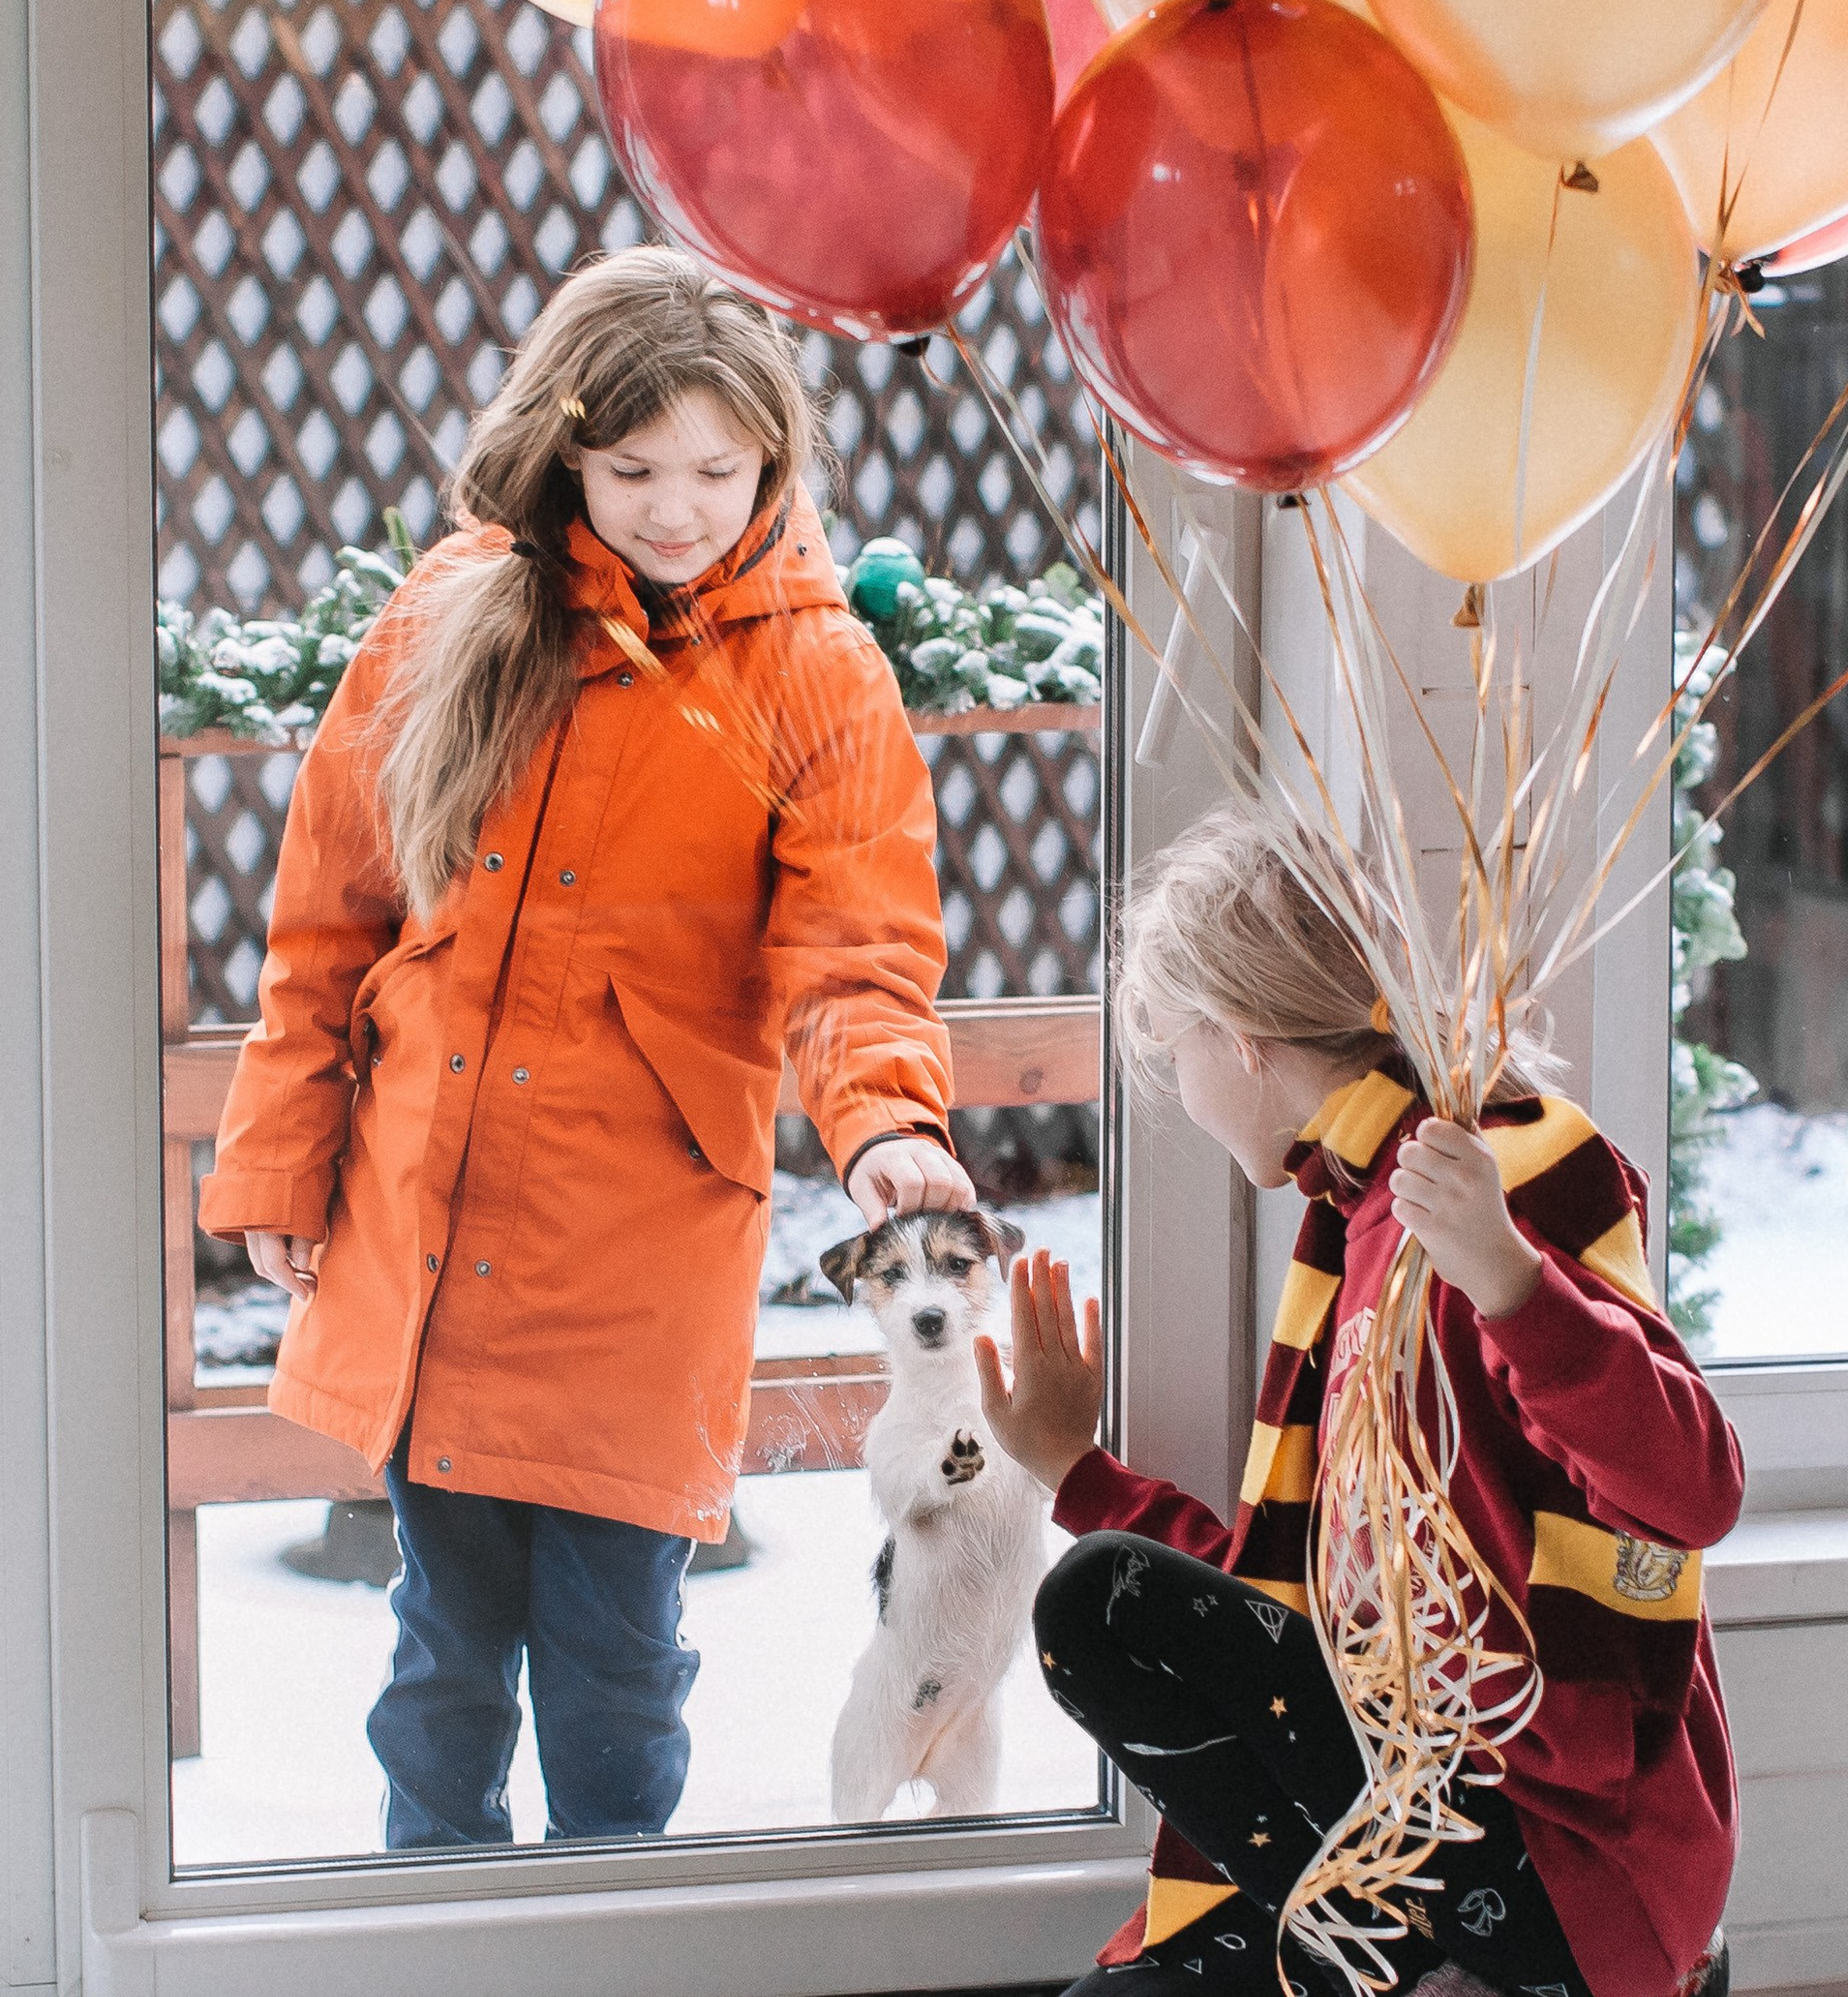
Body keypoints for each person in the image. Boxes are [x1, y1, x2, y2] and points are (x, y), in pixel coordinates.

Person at [200, 246, 974, 1847]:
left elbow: (858, 945)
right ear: (563, 451)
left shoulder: (815, 671)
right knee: (440, 1667)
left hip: (636, 1252)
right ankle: (442, 1940)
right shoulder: (448, 619)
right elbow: (328, 920)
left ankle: (616, 1938)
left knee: (616, 1675)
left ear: (774, 461)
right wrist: (284, 1151)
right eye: (632, 470)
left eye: (717, 468)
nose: (677, 505)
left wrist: (888, 1117)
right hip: (436, 1226)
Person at [975, 810, 1741, 1997]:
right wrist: (1080, 1476)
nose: (1179, 1091)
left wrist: (1513, 1285)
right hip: (1425, 1828)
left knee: (1092, 1609)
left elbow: (1694, 1490)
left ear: (1239, 1043)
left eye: (1175, 1054)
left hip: (1562, 1862)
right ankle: (1398, 1973)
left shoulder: (1477, 1191)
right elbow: (1319, 1612)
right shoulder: (1354, 1214)